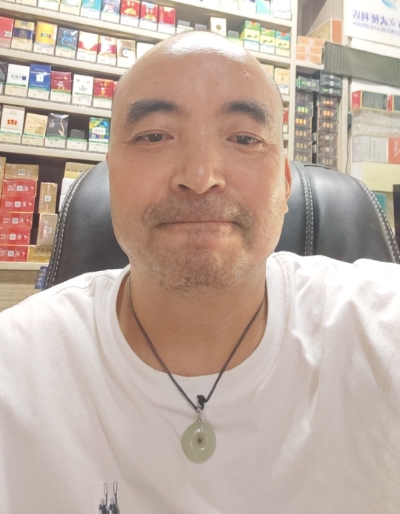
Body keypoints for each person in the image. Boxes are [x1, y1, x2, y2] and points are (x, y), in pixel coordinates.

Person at [0, 32, 399, 514]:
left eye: (244, 138)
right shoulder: (16, 368)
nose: (200, 175)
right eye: (154, 136)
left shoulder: (380, 329)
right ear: (111, 174)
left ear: (285, 182)